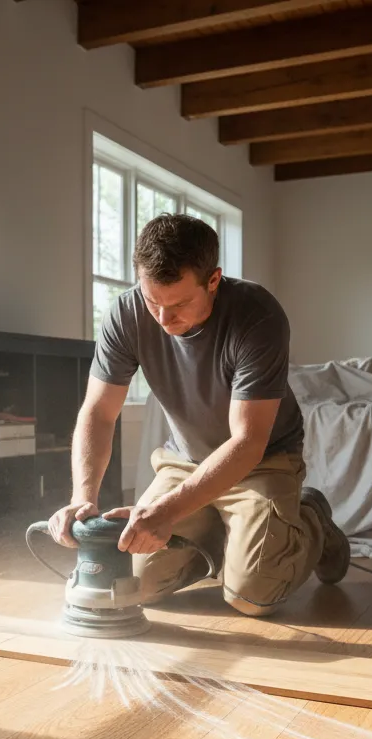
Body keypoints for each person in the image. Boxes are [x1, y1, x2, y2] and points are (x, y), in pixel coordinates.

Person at [48, 213, 349, 616]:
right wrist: (82, 498)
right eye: (152, 300)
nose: (163, 319)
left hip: (261, 462)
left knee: (252, 596)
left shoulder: (257, 316)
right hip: (185, 461)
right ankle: (220, 531)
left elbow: (247, 442)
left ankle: (312, 518)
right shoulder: (126, 313)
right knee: (137, 584)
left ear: (213, 280)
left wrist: (169, 511)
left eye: (179, 304)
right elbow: (99, 412)